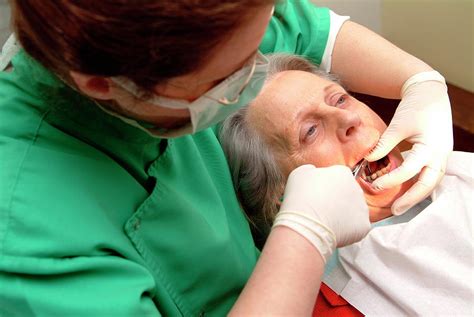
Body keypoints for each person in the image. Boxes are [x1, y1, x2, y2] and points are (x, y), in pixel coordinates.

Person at [0, 1, 452, 315]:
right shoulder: (30, 240)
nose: (257, 74)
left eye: (339, 98)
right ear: (103, 85)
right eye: (230, 76)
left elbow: (304, 29)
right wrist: (304, 236)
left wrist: (420, 81)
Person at [219, 53, 473, 315]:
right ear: (281, 193)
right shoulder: (322, 302)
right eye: (310, 131)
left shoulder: (460, 170)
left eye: (340, 99)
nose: (348, 119)